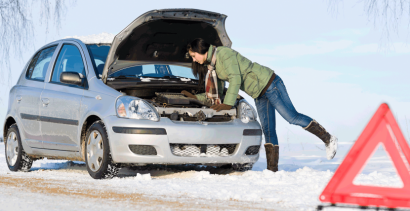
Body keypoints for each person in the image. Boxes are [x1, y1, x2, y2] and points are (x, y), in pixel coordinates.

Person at [182, 38, 338, 172]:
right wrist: (196, 97)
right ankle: (272, 170)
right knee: (268, 129)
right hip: (258, 93)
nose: (194, 60)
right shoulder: (214, 65)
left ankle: (328, 139)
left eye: (194, 56)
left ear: (200, 50)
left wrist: (229, 104)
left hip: (270, 84)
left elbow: (235, 79)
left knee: (292, 117)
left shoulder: (224, 54)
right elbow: (220, 91)